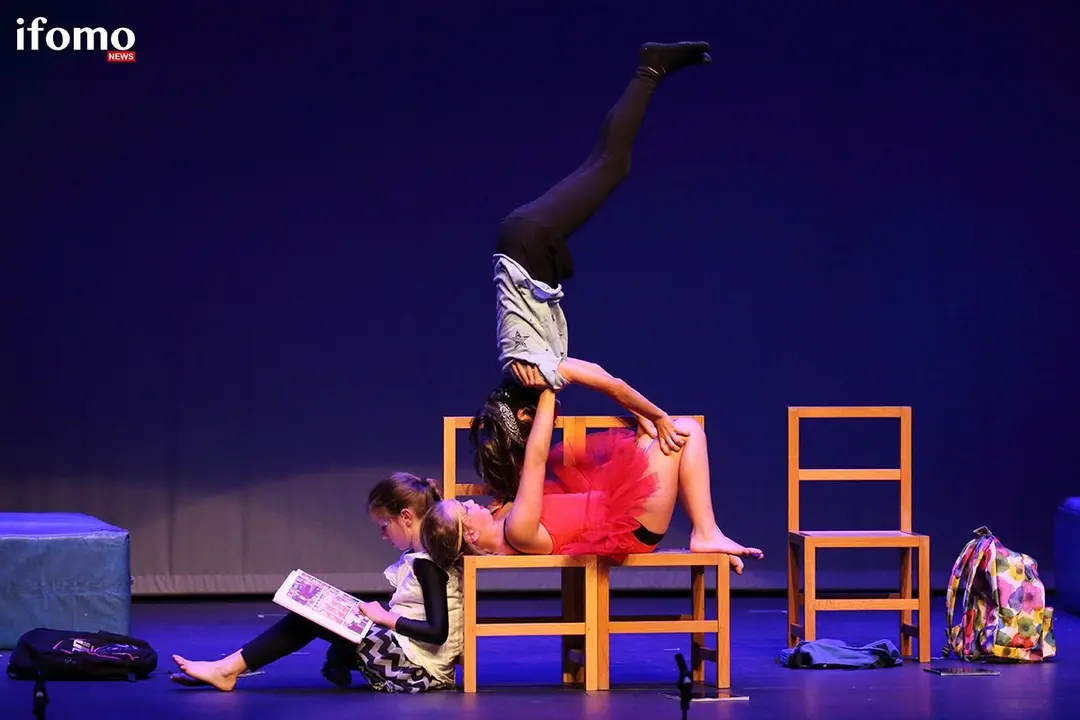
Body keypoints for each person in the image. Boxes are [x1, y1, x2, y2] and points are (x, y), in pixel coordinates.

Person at [477, 41, 716, 504]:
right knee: (604, 162)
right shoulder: (523, 367)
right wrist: (639, 415)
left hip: (528, 243)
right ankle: (650, 70)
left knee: (613, 165)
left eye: (537, 426)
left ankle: (651, 67)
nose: (551, 423)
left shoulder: (536, 370)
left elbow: (609, 381)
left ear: (525, 415)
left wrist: (658, 415)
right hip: (527, 244)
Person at [170, 473, 463, 693]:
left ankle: (227, 670)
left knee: (310, 618)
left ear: (406, 517)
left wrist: (384, 617)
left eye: (385, 526)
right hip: (410, 660)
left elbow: (437, 632)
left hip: (417, 673)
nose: (383, 535)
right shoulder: (421, 557)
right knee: (329, 612)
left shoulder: (427, 563)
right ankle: (336, 658)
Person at [424, 389, 762, 574]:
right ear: (470, 534)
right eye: (465, 508)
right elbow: (537, 459)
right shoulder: (517, 531)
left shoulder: (502, 517)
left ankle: (706, 532)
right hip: (632, 522)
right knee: (686, 430)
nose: (472, 502)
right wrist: (549, 387)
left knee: (657, 433)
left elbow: (524, 454)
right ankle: (705, 532)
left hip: (619, 500)